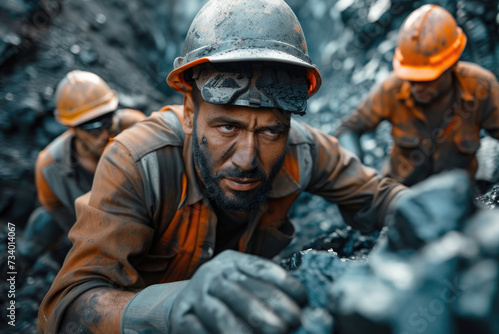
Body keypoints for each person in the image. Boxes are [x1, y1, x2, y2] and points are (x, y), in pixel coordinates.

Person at [38, 1, 407, 333]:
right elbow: (66, 308)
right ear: (188, 112)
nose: (247, 159)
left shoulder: (302, 151)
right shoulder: (139, 164)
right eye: (227, 126)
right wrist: (172, 308)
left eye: (270, 131)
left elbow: (380, 197)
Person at [334, 4, 499, 187]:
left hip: (458, 197)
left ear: (451, 65)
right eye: (412, 78)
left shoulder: (480, 86)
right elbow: (349, 129)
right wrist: (359, 177)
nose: (417, 86)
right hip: (401, 198)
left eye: (427, 79)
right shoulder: (392, 88)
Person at [14, 70, 145, 282]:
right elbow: (61, 215)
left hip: (143, 218)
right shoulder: (49, 167)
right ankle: (12, 277)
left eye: (106, 122)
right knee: (42, 223)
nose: (104, 135)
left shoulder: (135, 127)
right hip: (95, 230)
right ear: (71, 127)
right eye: (92, 129)